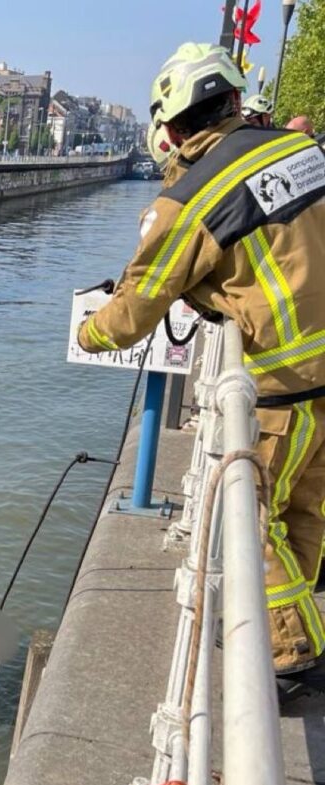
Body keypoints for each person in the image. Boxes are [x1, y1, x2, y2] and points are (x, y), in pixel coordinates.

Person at [78, 42, 325, 675]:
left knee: (254, 518)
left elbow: (135, 309)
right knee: (306, 506)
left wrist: (88, 333)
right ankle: (302, 626)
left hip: (289, 381)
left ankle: (290, 652)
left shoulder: (191, 198)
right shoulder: (299, 150)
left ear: (171, 130)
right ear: (236, 99)